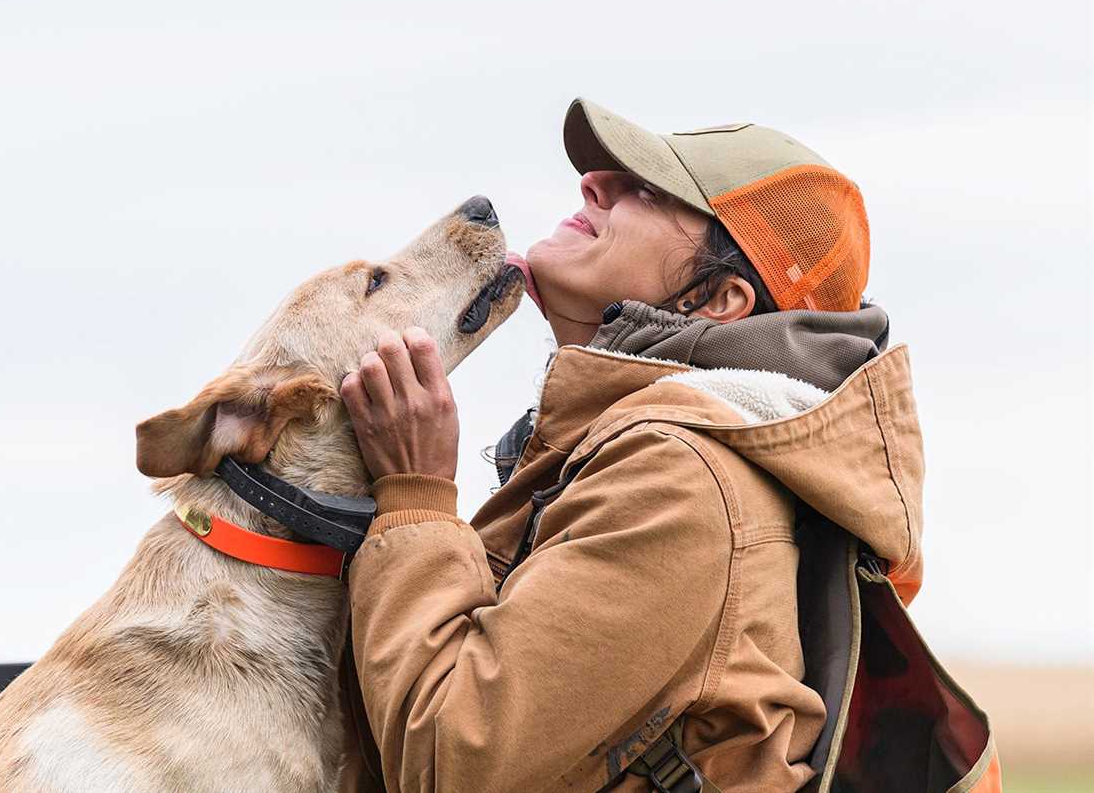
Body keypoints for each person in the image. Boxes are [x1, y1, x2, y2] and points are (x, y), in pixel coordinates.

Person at [334, 99, 922, 792]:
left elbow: (452, 762)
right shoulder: (644, 453)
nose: (593, 183)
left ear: (720, 301)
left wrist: (415, 494)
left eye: (649, 190)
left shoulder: (681, 480)